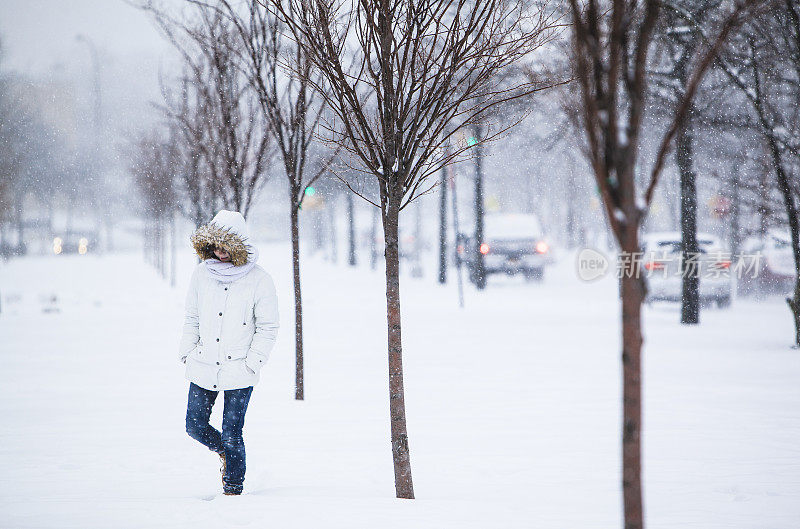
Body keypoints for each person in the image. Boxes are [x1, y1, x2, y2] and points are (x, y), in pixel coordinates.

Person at [178, 210, 279, 495]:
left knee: (233, 434)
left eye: (225, 246)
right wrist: (187, 350)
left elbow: (268, 326)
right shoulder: (200, 275)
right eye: (215, 246)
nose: (219, 252)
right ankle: (226, 454)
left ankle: (233, 489)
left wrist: (253, 363)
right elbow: (192, 317)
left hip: (239, 369)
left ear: (238, 246)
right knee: (194, 426)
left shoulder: (260, 279)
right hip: (203, 363)